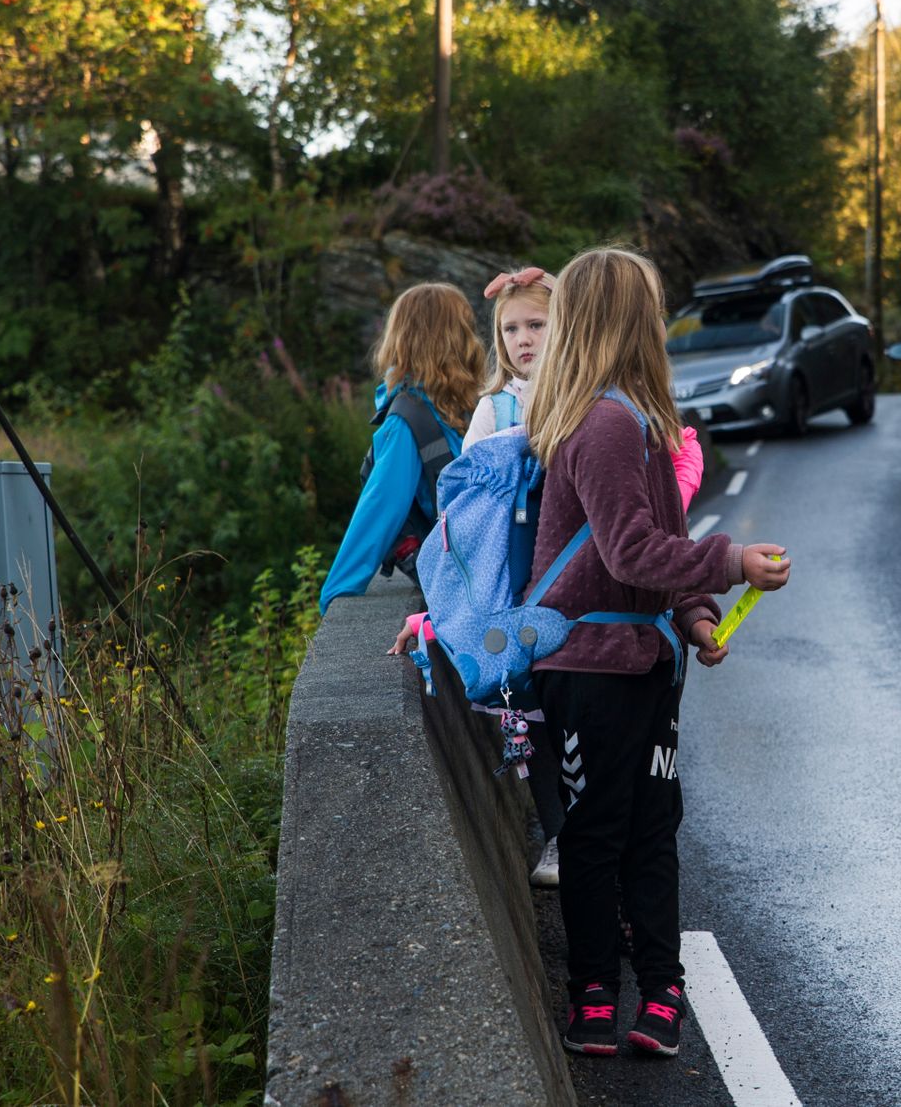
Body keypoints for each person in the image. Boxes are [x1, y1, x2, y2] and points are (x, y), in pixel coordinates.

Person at [522, 247, 790, 1058]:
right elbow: (632, 551)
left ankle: (661, 987)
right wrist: (732, 561)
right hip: (587, 668)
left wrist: (700, 612)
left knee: (651, 829)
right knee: (600, 834)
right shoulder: (602, 426)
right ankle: (595, 991)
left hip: (641, 664)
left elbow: (664, 544)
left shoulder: (636, 421)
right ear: (634, 322)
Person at [388, 264, 712, 891]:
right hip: (526, 591)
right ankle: (568, 835)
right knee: (536, 721)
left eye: (538, 323)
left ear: (567, 325)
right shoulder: (495, 408)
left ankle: (613, 874)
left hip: (598, 594)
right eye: (510, 329)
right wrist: (441, 618)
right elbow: (470, 524)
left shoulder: (596, 402)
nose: (523, 339)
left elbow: (664, 491)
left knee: (615, 753)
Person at [319, 282, 484, 616]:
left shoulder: (431, 412)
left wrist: (334, 595)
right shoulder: (437, 413)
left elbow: (381, 507)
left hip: (471, 576)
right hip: (477, 573)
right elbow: (381, 507)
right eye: (467, 326)